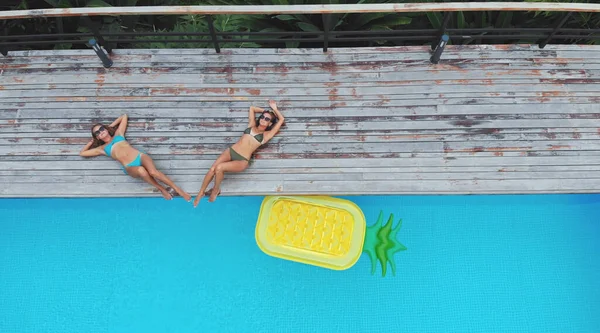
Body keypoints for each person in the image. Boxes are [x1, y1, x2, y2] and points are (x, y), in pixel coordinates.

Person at [193, 99, 285, 206]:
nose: (263, 119)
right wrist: (266, 111)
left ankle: (215, 189)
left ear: (270, 123)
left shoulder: (266, 135)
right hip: (231, 151)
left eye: (267, 119)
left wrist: (274, 109)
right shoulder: (251, 125)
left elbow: (281, 119)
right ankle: (200, 193)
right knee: (212, 169)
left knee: (219, 168)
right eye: (263, 117)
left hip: (242, 160)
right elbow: (252, 108)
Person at [79, 114, 191, 201]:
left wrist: (110, 126)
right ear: (97, 137)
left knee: (153, 172)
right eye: (97, 133)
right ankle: (161, 189)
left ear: (106, 129)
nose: (101, 132)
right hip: (130, 166)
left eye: (102, 129)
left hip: (139, 156)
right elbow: (82, 153)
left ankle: (177, 189)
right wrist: (91, 142)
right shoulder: (102, 148)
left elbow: (124, 117)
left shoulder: (119, 134)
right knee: (142, 171)